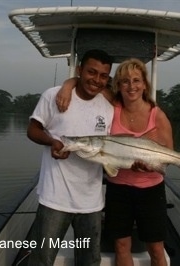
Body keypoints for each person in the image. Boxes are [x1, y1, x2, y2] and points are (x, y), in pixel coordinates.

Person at [56, 58, 172, 266]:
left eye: (136, 80)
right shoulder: (112, 106)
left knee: (156, 248)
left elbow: (169, 155)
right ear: (118, 85)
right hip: (119, 190)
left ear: (145, 84)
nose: (131, 86)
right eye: (125, 81)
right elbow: (88, 82)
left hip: (151, 190)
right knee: (121, 246)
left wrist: (149, 166)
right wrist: (66, 86)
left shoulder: (158, 116)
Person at [27, 49, 114, 266]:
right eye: (91, 72)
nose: (96, 80)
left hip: (91, 202)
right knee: (42, 260)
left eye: (103, 75)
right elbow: (33, 130)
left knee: (89, 261)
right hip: (54, 197)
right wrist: (52, 142)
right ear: (79, 70)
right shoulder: (54, 95)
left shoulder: (109, 107)